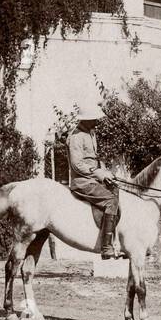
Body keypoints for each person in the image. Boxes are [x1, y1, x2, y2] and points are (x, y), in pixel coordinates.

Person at [67, 105, 121, 259]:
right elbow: (77, 164)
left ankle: (117, 241)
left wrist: (105, 172)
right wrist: (98, 173)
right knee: (111, 201)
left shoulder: (90, 133)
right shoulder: (76, 137)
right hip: (82, 182)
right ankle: (106, 247)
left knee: (115, 190)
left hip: (92, 178)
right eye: (94, 118)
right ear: (86, 119)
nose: (97, 120)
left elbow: (94, 159)